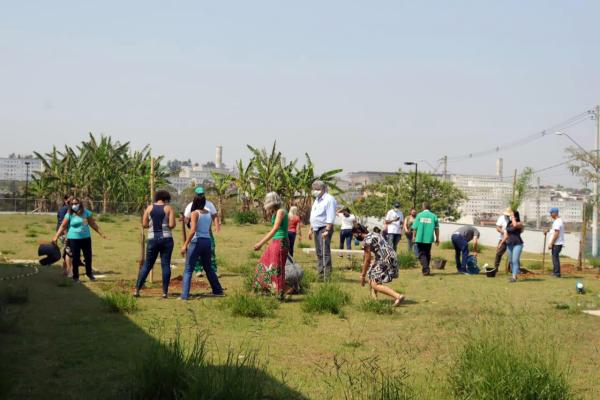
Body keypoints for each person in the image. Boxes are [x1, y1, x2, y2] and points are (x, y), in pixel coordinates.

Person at [180, 194, 224, 299]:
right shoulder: (208, 213)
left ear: (194, 202)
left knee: (188, 269)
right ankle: (218, 290)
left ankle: (184, 295)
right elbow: (207, 228)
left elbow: (193, 230)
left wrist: (185, 244)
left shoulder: (194, 213)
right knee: (208, 268)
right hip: (207, 241)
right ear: (204, 202)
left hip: (196, 241)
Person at [52, 198, 106, 282]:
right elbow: (63, 226)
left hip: (86, 238)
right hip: (73, 239)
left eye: (76, 203)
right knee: (76, 258)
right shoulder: (69, 214)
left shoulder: (86, 213)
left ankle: (89, 274)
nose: (74, 205)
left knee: (88, 257)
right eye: (72, 204)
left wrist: (101, 233)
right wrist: (56, 236)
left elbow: (93, 224)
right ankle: (76, 277)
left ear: (80, 204)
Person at [134, 190, 176, 298]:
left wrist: (151, 226)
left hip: (152, 239)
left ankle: (137, 290)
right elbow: (172, 225)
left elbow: (144, 224)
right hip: (166, 239)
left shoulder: (149, 208)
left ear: (156, 198)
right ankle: (165, 292)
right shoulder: (169, 208)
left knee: (147, 264)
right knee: (165, 265)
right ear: (166, 198)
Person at [353, 224, 405, 306]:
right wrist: (375, 262)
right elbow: (380, 248)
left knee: (375, 284)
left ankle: (398, 296)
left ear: (359, 232)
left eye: (354, 235)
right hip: (391, 257)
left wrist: (362, 276)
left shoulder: (367, 241)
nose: (355, 237)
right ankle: (374, 300)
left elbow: (367, 260)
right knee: (371, 274)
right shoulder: (374, 234)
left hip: (385, 259)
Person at [253, 192, 289, 298]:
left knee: (277, 267)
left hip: (281, 241)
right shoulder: (276, 212)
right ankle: (266, 288)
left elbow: (275, 229)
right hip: (275, 241)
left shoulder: (281, 211)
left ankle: (278, 293)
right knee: (264, 263)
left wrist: (261, 243)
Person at [184, 186, 220, 276]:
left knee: (211, 250)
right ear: (196, 195)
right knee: (196, 251)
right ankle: (198, 269)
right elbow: (186, 218)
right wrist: (189, 225)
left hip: (207, 232)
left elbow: (215, 215)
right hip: (195, 233)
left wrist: (217, 227)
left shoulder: (209, 204)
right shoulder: (190, 205)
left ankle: (213, 269)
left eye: (202, 194)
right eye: (199, 194)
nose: (200, 196)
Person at [308, 181, 337, 280]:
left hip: (324, 228)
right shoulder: (317, 199)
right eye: (314, 189)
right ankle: (320, 273)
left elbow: (331, 215)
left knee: (325, 252)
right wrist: (311, 228)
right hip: (316, 228)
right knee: (319, 252)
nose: (315, 191)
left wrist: (327, 230)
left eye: (318, 189)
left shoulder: (329, 199)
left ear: (323, 189)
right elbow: (314, 215)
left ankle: (326, 275)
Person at [411, 202, 439, 276]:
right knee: (427, 253)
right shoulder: (434, 216)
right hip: (429, 239)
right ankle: (426, 270)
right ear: (429, 207)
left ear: (423, 207)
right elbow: (436, 229)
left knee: (421, 254)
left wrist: (413, 237)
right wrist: (437, 238)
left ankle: (426, 269)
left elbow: (415, 228)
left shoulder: (419, 215)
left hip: (419, 238)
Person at [499, 210, 524, 282]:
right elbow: (506, 235)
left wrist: (512, 216)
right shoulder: (509, 223)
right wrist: (501, 243)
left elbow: (515, 225)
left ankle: (514, 277)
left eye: (511, 215)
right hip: (509, 244)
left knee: (515, 260)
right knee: (511, 261)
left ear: (515, 216)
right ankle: (514, 275)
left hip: (518, 244)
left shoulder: (520, 223)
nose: (509, 216)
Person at [548, 207, 565, 278]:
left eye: (551, 213)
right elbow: (554, 231)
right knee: (554, 257)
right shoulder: (557, 221)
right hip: (556, 243)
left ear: (555, 213)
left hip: (557, 243)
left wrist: (551, 243)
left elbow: (556, 233)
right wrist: (548, 231)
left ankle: (557, 273)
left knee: (555, 258)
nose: (550, 214)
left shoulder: (557, 222)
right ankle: (554, 272)